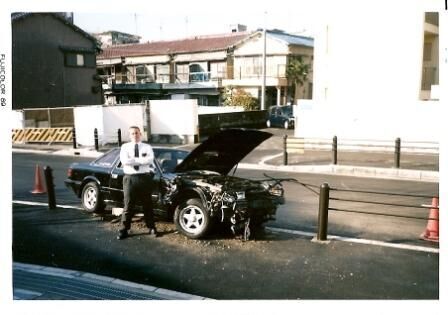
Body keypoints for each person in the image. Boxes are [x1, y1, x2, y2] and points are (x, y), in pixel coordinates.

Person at [117, 126, 158, 240]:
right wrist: (141, 161)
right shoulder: (125, 147)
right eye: (132, 133)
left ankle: (152, 228)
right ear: (129, 135)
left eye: (137, 133)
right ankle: (124, 230)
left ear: (140, 134)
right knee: (128, 205)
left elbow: (150, 160)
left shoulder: (147, 147)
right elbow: (124, 161)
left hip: (144, 178)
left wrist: (134, 160)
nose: (135, 135)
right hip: (129, 178)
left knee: (147, 204)